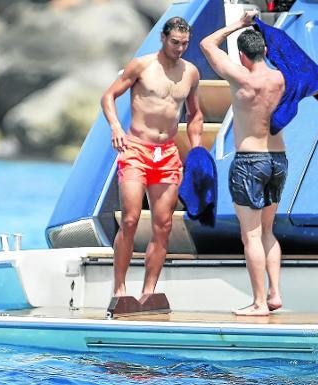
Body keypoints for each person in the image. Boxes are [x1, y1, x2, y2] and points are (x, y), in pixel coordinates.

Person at [101, 16, 203, 298]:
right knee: (131, 219)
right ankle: (119, 289)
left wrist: (195, 149)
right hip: (136, 149)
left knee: (164, 225)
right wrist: (115, 127)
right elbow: (109, 96)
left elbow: (196, 115)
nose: (179, 48)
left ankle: (148, 292)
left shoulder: (191, 73)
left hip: (167, 153)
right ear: (163, 38)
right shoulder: (142, 65)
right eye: (175, 42)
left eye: (184, 44)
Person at [200, 11, 286, 316]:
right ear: (264, 51)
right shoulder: (280, 78)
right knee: (268, 231)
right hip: (278, 160)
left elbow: (207, 44)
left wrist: (238, 24)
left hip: (250, 160)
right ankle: (275, 294)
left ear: (241, 55)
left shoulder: (240, 77)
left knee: (250, 235)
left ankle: (260, 302)